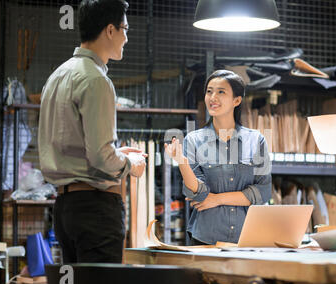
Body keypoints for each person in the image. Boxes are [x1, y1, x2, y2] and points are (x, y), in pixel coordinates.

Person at [38, 0, 146, 263]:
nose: (127, 38)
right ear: (110, 30)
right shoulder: (96, 80)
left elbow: (74, 146)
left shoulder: (58, 75)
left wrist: (114, 153)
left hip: (65, 209)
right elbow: (99, 156)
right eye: (125, 29)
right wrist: (130, 163)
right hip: (94, 209)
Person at [164, 70, 272, 245]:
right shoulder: (194, 140)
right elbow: (198, 194)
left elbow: (263, 191)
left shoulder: (256, 140)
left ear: (236, 100)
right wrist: (181, 162)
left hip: (247, 238)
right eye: (209, 91)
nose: (213, 97)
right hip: (206, 238)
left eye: (221, 92)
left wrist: (217, 199)